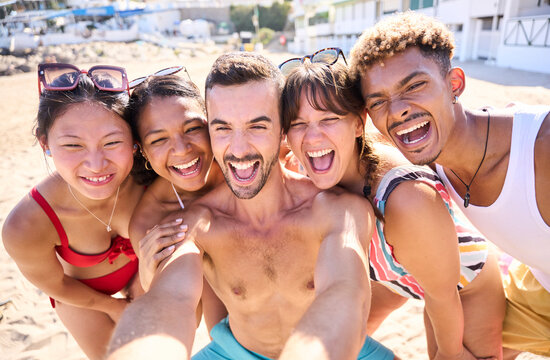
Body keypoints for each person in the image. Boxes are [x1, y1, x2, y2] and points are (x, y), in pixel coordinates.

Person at [107, 52, 395, 360]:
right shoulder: (193, 224)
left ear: (283, 129)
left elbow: (344, 295)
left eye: (257, 126)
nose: (240, 149)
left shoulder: (339, 210)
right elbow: (169, 301)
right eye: (222, 128)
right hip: (233, 352)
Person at [350, 11, 550, 359]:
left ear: (454, 84)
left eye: (414, 86)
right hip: (537, 283)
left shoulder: (541, 149)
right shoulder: (428, 159)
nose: (396, 110)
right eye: (379, 101)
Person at [281, 57, 505, 359]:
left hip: (464, 287)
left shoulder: (407, 199)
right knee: (341, 339)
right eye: (298, 124)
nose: (312, 137)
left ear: (358, 124)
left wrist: (449, 354)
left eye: (328, 119)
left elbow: (442, 295)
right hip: (401, 280)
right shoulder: (306, 169)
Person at [2, 63, 144, 360]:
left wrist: (144, 282)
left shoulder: (148, 178)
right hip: (79, 294)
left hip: (144, 275)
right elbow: (55, 284)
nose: (96, 164)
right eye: (73, 145)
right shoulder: (26, 224)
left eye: (112, 142)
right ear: (45, 143)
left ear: (134, 141)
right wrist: (113, 307)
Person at [124, 70, 227, 328]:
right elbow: (187, 319)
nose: (181, 149)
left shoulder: (246, 167)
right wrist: (150, 281)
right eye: (159, 139)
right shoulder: (153, 221)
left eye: (192, 128)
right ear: (142, 152)